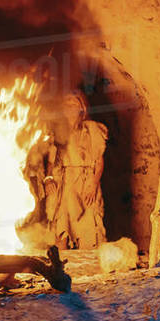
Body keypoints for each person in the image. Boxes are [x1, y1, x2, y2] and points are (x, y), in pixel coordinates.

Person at [41, 91, 108, 249]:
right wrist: (48, 179)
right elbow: (51, 162)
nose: (70, 107)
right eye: (67, 104)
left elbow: (99, 160)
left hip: (86, 181)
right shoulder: (56, 133)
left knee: (89, 223)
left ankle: (89, 263)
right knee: (61, 222)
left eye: (74, 104)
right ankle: (60, 266)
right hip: (64, 183)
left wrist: (93, 182)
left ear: (82, 108)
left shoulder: (92, 130)